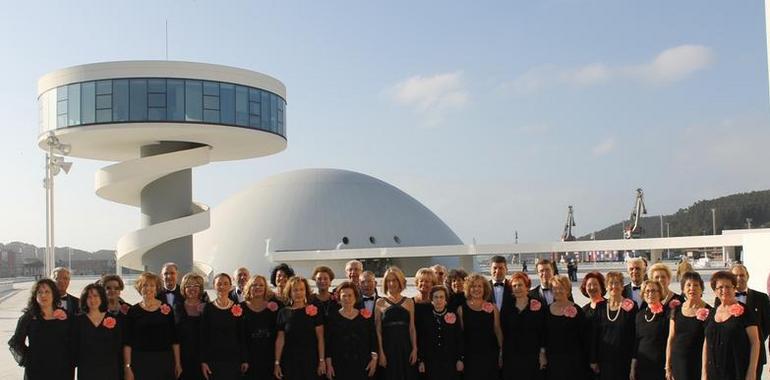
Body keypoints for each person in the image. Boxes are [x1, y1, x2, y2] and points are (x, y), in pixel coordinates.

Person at [8, 278, 75, 380]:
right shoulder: (28, 317)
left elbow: (74, 341)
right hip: (36, 370)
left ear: (54, 294)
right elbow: (16, 342)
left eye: (47, 292)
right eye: (40, 292)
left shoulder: (65, 316)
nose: (43, 295)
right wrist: (30, 358)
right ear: (35, 296)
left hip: (62, 368)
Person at [713, 263, 770, 380]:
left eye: (742, 275)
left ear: (747, 276)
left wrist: (752, 341)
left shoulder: (762, 298)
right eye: (735, 275)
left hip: (755, 354)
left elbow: (767, 325)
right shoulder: (719, 300)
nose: (739, 278)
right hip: (730, 357)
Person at [702, 270, 761, 380]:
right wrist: (704, 373)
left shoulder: (745, 311)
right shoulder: (711, 313)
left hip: (737, 371)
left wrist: (752, 371)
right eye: (720, 287)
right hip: (713, 373)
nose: (724, 290)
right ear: (715, 291)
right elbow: (706, 343)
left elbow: (755, 342)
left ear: (734, 288)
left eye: (728, 287)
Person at [123, 272, 182, 380]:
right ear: (140, 288)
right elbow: (128, 342)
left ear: (156, 289)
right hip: (140, 361)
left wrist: (178, 364)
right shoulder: (133, 311)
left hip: (164, 360)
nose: (148, 288)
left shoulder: (166, 309)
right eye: (145, 285)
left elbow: (174, 339)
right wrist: (127, 367)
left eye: (152, 285)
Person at [274, 276, 326, 379]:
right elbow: (280, 339)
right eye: (295, 290)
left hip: (311, 360)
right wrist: (277, 363)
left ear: (306, 291)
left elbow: (320, 338)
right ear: (290, 292)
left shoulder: (314, 310)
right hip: (289, 360)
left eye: (302, 289)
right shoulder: (283, 312)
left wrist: (321, 360)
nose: (298, 293)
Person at [325, 281, 378, 380]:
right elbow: (328, 343)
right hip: (339, 365)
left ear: (355, 297)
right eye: (344, 296)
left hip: (363, 364)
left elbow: (373, 339)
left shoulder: (365, 316)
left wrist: (374, 360)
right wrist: (329, 365)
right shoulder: (332, 317)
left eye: (350, 295)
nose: (347, 298)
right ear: (339, 297)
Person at [200, 273, 248, 380]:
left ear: (231, 286)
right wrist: (203, 361)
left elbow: (241, 335)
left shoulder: (237, 307)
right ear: (214, 286)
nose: (222, 287)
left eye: (226, 283)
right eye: (219, 284)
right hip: (213, 360)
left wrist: (244, 359)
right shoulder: (208, 308)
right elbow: (203, 336)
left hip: (233, 359)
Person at [590, 272, 637, 380]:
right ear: (606, 286)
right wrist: (593, 359)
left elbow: (635, 334)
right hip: (604, 359)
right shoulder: (600, 306)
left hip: (625, 358)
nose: (614, 286)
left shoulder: (631, 306)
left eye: (617, 283)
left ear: (622, 286)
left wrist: (634, 360)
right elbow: (595, 335)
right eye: (611, 283)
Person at [664, 271, 711, 380]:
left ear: (701, 288)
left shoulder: (709, 311)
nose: (692, 288)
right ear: (683, 289)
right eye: (688, 285)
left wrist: (705, 372)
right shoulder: (676, 310)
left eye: (696, 285)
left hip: (698, 363)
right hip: (677, 362)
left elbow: (708, 343)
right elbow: (671, 338)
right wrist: (667, 366)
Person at [375, 266, 418, 380]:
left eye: (394, 280)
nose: (391, 283)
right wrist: (381, 352)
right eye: (389, 280)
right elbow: (378, 330)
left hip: (405, 347)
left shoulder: (409, 302)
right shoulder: (380, 302)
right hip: (388, 348)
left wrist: (414, 349)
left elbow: (412, 328)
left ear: (400, 282)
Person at [502, 272, 546, 380]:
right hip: (511, 355)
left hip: (533, 355)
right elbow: (502, 331)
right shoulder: (507, 307)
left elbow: (544, 331)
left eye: (520, 285)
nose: (517, 288)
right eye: (514, 286)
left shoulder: (538, 305)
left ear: (527, 286)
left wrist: (542, 353)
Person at [458, 273, 503, 379]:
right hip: (470, 357)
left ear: (484, 289)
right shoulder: (461, 309)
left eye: (479, 286)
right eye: (473, 286)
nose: (476, 289)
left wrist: (501, 352)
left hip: (490, 355)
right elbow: (460, 335)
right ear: (468, 289)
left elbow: (497, 330)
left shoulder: (493, 308)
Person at [544, 274, 587, 380]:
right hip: (552, 359)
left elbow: (584, 338)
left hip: (573, 360)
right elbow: (542, 335)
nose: (558, 291)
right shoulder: (545, 311)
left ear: (567, 290)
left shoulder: (577, 310)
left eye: (561, 288)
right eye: (554, 288)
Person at [76, 283, 122, 380]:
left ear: (102, 297)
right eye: (89, 297)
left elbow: (119, 346)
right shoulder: (77, 321)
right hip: (87, 369)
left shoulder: (113, 319)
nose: (92, 300)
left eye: (96, 296)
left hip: (110, 369)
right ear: (85, 300)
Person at [417, 285, 463, 380]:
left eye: (441, 297)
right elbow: (422, 340)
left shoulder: (453, 315)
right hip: (431, 361)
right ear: (431, 300)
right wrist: (421, 360)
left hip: (450, 361)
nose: (439, 300)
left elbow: (459, 338)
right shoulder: (425, 317)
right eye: (436, 297)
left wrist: (460, 359)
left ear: (446, 300)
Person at [242, 275, 282, 380]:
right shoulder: (240, 308)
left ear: (265, 288)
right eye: (254, 285)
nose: (258, 287)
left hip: (269, 359)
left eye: (261, 285)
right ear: (249, 287)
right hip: (248, 360)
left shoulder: (275, 307)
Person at [631, 280, 669, 380]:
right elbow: (636, 342)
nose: (650, 294)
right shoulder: (639, 315)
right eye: (647, 291)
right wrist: (632, 367)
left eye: (653, 291)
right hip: (642, 365)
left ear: (660, 293)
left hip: (660, 366)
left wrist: (669, 366)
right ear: (643, 294)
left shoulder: (667, 314)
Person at [174, 273, 206, 380]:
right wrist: (177, 363)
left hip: (203, 359)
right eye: (189, 286)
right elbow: (175, 338)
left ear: (200, 288)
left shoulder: (208, 307)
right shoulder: (177, 307)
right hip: (183, 359)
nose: (192, 288)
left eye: (196, 285)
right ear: (184, 288)